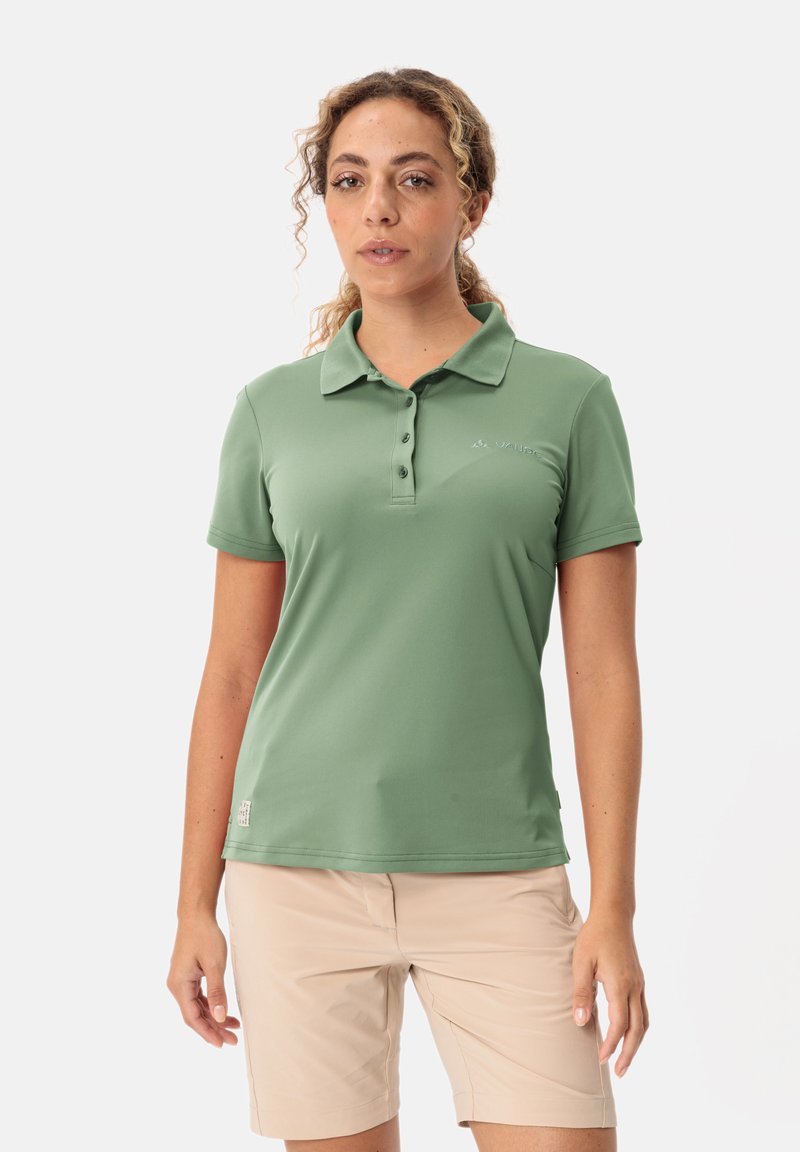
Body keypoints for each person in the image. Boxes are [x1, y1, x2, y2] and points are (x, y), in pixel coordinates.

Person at [167, 66, 649, 1152]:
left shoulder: (569, 400)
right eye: (348, 181)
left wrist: (612, 907)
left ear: (471, 202)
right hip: (293, 870)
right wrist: (195, 901)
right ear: (326, 205)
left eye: (413, 178)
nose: (377, 208)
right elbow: (232, 670)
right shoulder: (271, 412)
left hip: (499, 870)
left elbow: (602, 670)